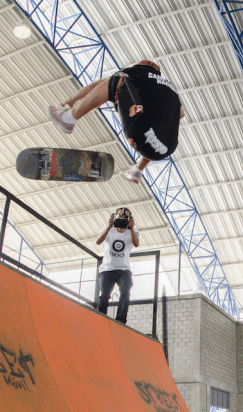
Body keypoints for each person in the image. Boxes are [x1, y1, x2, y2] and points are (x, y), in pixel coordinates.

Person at [47, 60, 185, 183]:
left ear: (140, 66)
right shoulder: (169, 90)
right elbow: (181, 114)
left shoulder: (138, 72)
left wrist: (70, 102)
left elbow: (98, 85)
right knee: (156, 126)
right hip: (165, 150)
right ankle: (137, 170)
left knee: (117, 79)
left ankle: (68, 119)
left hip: (140, 135)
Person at [95, 207, 139, 324]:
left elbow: (136, 244)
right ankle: (101, 318)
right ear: (115, 216)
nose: (122, 219)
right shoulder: (108, 229)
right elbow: (98, 241)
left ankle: (120, 320)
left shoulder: (132, 230)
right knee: (104, 295)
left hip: (123, 270)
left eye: (125, 217)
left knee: (125, 291)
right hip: (107, 269)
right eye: (120, 216)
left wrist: (131, 228)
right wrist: (109, 227)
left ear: (130, 219)